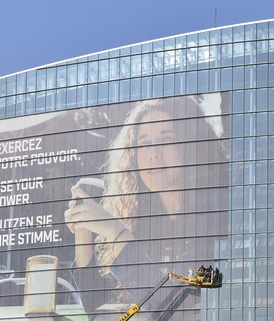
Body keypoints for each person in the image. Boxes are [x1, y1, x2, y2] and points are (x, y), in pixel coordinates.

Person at [65, 94, 227, 307]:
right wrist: (84, 229)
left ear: (191, 146)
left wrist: (116, 231)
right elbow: (99, 307)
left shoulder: (218, 209)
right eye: (144, 144)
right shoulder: (141, 215)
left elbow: (174, 307)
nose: (153, 154)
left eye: (166, 140)